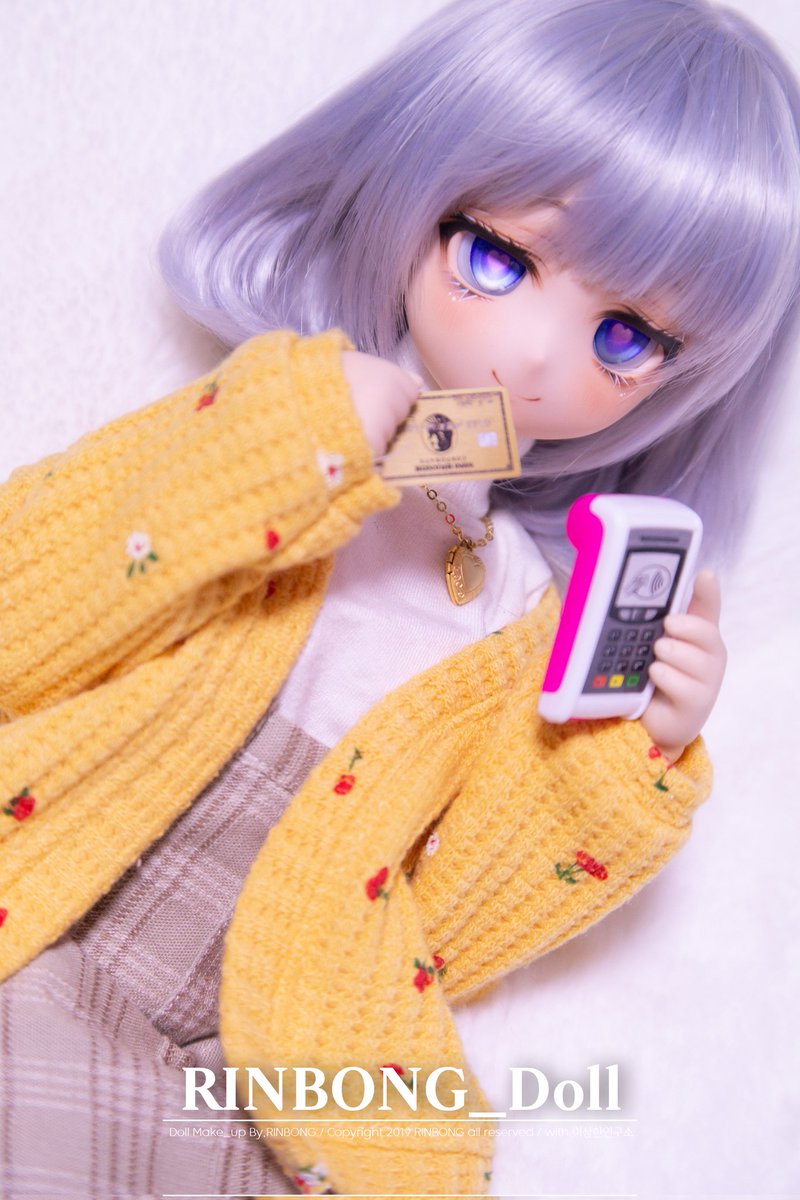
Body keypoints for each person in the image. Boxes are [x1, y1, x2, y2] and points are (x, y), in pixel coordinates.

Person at [1, 0, 798, 1195]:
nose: (535, 356)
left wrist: (623, 753)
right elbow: (30, 610)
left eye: (626, 336)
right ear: (410, 196)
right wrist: (281, 443)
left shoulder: (520, 611)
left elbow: (454, 923)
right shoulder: (279, 424)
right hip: (53, 902)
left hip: (278, 1052)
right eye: (498, 260)